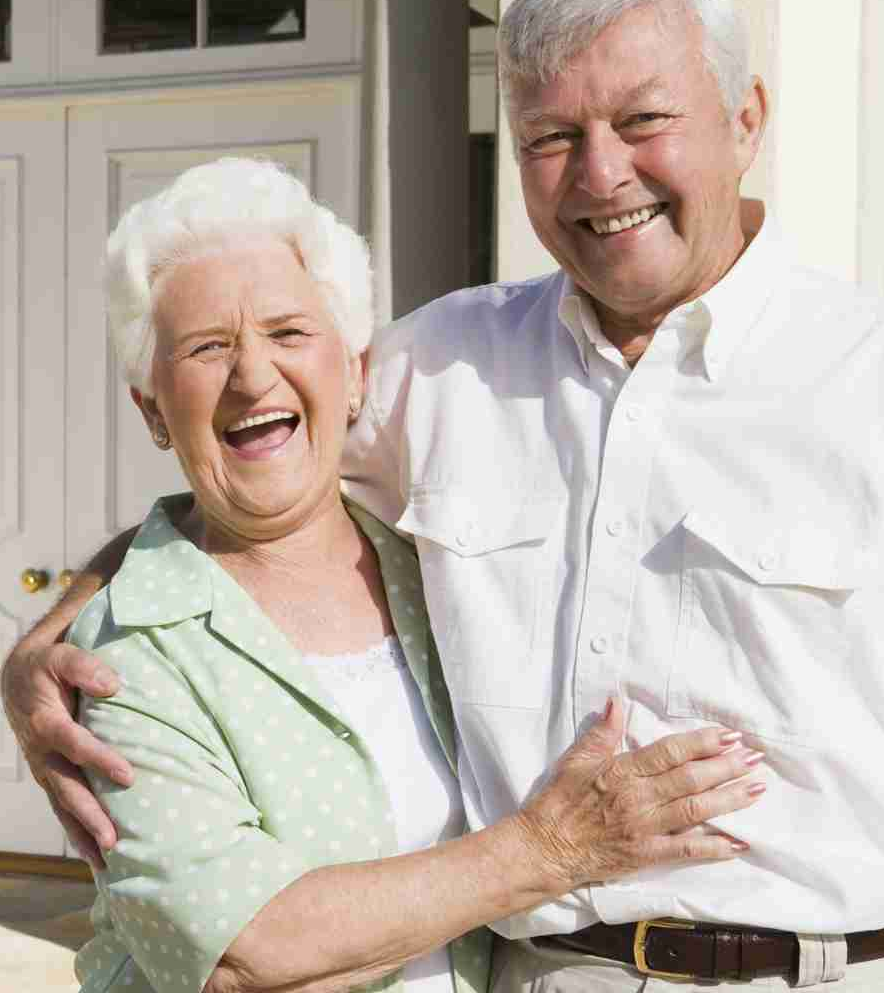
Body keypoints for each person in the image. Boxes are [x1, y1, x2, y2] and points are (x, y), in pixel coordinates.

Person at [8, 0, 884, 992]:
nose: (601, 175)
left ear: (746, 120)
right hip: (537, 971)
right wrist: (61, 628)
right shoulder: (440, 366)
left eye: (645, 120)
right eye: (551, 138)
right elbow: (251, 471)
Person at [65, 156, 766, 993]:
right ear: (152, 409)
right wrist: (548, 850)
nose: (254, 376)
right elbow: (245, 952)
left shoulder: (438, 567)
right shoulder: (126, 650)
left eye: (288, 333)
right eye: (208, 348)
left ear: (358, 371)